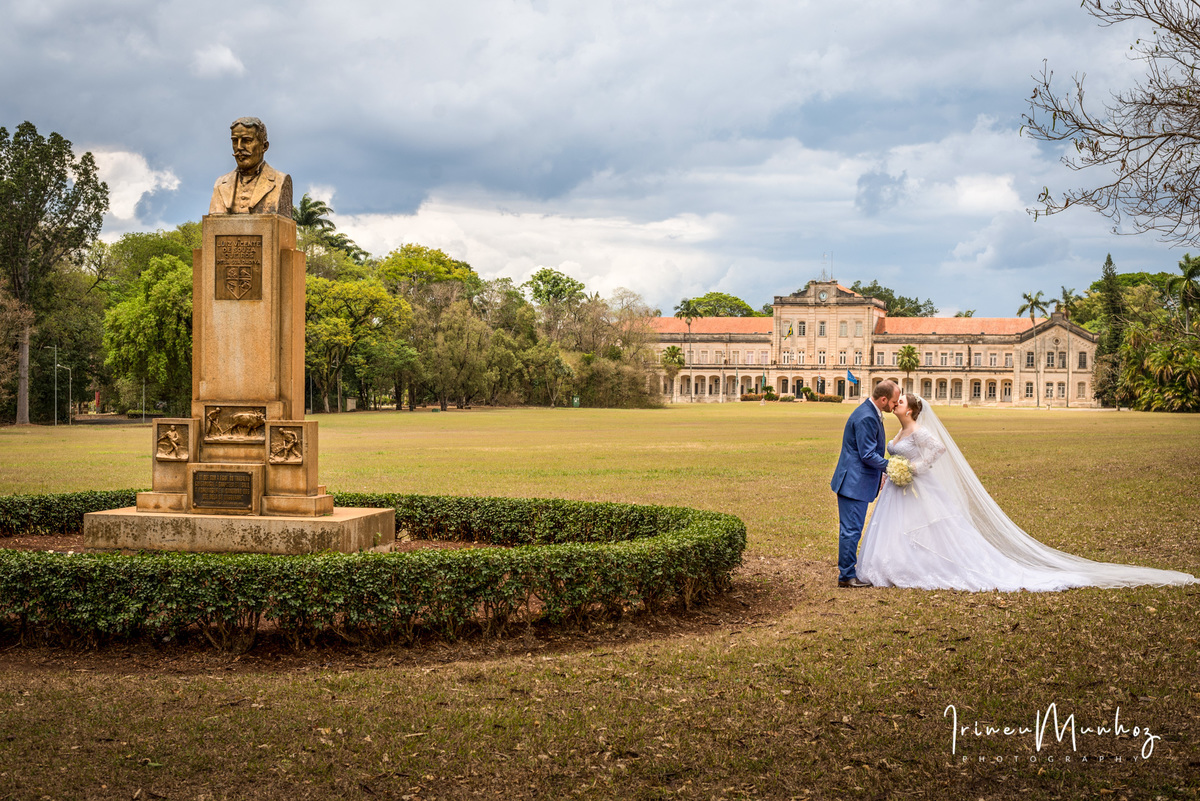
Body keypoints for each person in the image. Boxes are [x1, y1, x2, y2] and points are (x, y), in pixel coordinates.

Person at [857, 394, 1198, 591]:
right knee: (900, 529)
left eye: (901, 402)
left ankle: (926, 565)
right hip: (900, 491)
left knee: (933, 529)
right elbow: (895, 453)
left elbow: (938, 451)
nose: (896, 404)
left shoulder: (919, 430)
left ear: (911, 410)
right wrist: (896, 469)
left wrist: (913, 469)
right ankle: (898, 564)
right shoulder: (899, 431)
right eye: (897, 401)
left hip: (918, 486)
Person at [830, 379, 901, 588]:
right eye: (894, 402)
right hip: (853, 483)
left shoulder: (870, 411)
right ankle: (846, 576)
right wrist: (892, 467)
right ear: (883, 399)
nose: (895, 406)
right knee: (851, 530)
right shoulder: (867, 417)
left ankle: (848, 571)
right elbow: (868, 454)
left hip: (855, 480)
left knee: (852, 528)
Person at [209, 117, 293, 216]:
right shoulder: (220, 184)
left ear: (264, 146)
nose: (239, 147)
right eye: (235, 141)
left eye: (247, 140)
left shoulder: (280, 181)